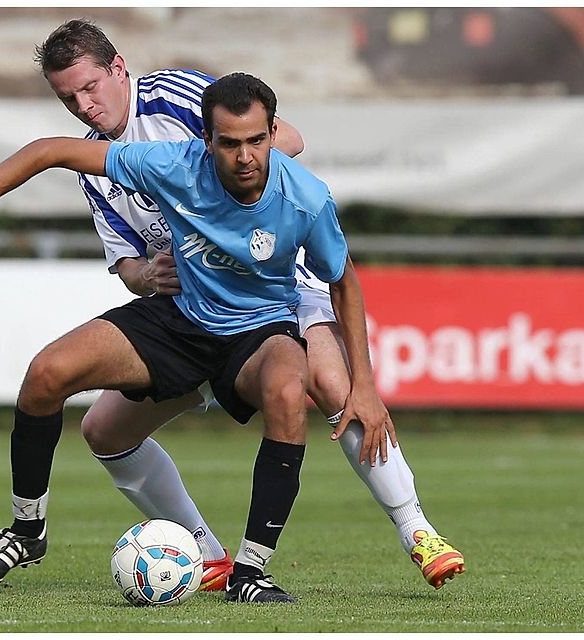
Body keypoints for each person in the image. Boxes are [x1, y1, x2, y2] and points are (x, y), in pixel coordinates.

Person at [27, 19, 464, 591]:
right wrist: (147, 274)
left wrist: (218, 197)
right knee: (105, 431)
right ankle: (207, 555)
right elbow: (128, 264)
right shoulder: (98, 164)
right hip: (198, 308)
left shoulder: (175, 99)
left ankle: (417, 531)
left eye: (89, 88)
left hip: (278, 279)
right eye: (68, 99)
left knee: (335, 384)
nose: (83, 106)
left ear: (118, 69)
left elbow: (284, 139)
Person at [0, 72, 366, 603]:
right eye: (229, 143)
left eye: (256, 141)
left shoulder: (306, 197)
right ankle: (28, 531)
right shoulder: (172, 164)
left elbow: (343, 280)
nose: (244, 156)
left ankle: (251, 571)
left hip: (258, 330)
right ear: (204, 140)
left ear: (273, 136)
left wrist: (364, 386)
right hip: (181, 322)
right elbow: (49, 150)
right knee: (47, 373)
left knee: (287, 391)